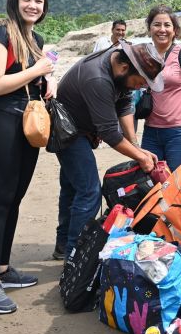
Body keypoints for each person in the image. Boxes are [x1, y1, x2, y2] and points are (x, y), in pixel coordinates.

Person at [0, 0, 56, 314]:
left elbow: (27, 76)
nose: (33, 6)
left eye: (38, 1)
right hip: (0, 123)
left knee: (14, 198)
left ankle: (4, 269)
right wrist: (37, 69)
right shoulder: (1, 33)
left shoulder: (33, 38)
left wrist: (46, 79)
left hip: (25, 124)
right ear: (15, 0)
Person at [53, 40, 164, 260]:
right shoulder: (98, 79)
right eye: (140, 81)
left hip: (83, 130)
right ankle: (75, 256)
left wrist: (136, 145)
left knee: (72, 189)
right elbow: (111, 134)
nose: (141, 87)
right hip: (68, 132)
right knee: (89, 192)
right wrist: (141, 157)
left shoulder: (119, 68)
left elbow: (123, 106)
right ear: (125, 68)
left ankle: (64, 244)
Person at [141, 5, 181, 172]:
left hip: (180, 132)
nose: (162, 29)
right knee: (151, 181)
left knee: (176, 183)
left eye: (167, 25)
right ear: (149, 28)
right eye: (156, 25)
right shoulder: (144, 55)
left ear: (175, 30)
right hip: (150, 132)